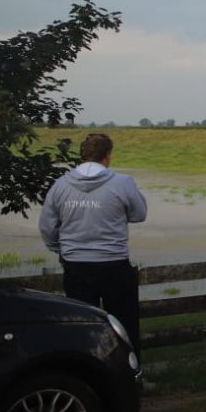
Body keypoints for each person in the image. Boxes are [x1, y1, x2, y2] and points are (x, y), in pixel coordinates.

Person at [39, 133, 148, 353]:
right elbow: (139, 214)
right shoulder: (122, 183)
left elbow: (47, 227)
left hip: (76, 265)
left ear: (83, 155)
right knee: (123, 325)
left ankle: (86, 374)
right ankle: (129, 373)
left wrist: (61, 249)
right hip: (114, 263)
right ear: (107, 156)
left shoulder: (60, 186)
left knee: (80, 325)